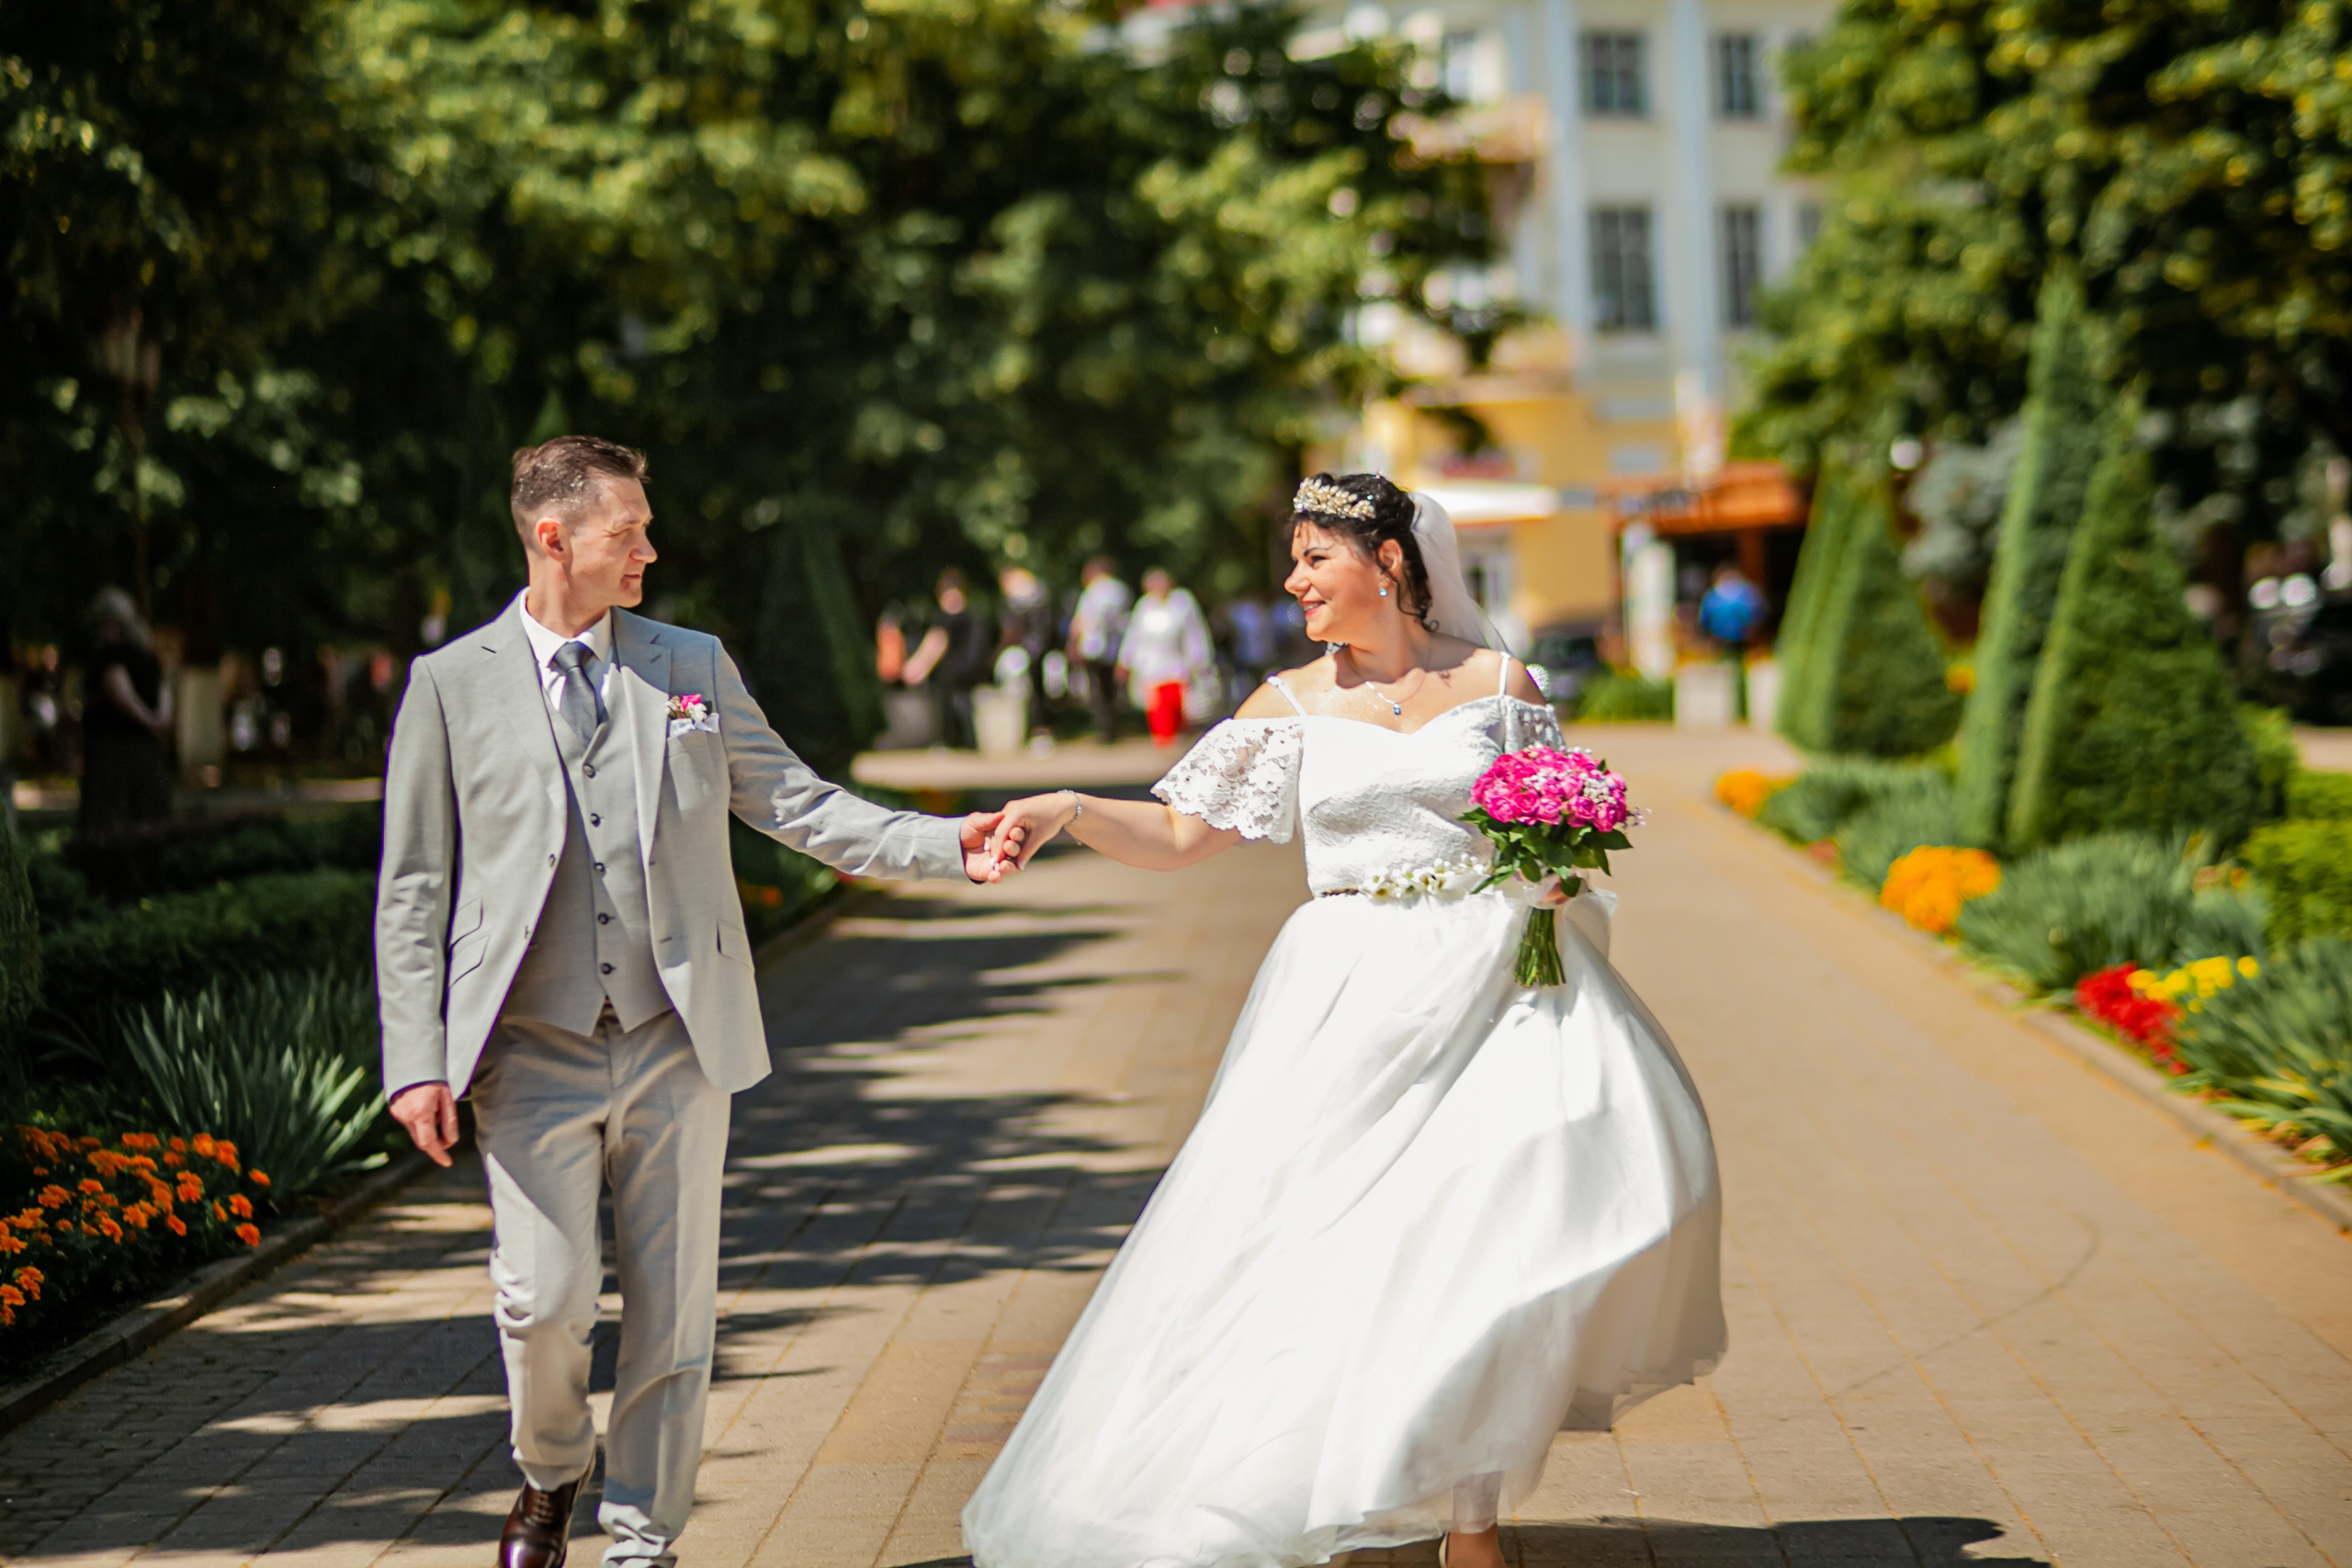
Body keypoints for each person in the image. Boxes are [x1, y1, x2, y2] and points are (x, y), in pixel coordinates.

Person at [963, 473, 1724, 1568]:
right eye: (1295, 558)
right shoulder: (1287, 703)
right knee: (1328, 1244)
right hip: (1349, 999)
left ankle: (1472, 1524)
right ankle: (1295, 1471)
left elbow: (1552, 814)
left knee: (1486, 1242)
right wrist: (1068, 809)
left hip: (1502, 989)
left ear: (1390, 563)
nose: (1294, 580)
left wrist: (1558, 864)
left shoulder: (1500, 683)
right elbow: (1179, 836)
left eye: (1314, 556)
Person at [374, 436, 1027, 1568]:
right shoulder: (449, 684)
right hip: (527, 1049)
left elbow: (797, 803)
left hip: (677, 1038)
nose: (648, 551)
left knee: (673, 1314)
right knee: (543, 1305)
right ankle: (549, 1472)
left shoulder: (690, 664)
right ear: (553, 538)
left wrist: (942, 845)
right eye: (627, 531)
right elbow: (414, 886)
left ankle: (642, 1538)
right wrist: (415, 1060)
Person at [79, 586, 173, 835]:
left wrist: (148, 720)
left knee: (112, 826)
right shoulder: (148, 656)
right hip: (146, 750)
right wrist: (159, 721)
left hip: (114, 752)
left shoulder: (112, 656)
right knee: (148, 821)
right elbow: (164, 690)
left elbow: (117, 686)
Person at [1117, 568, 1213, 747]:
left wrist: (1200, 659)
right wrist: (1125, 660)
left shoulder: (1182, 602)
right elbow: (1134, 635)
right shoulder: (1144, 606)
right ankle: (1163, 741)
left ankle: (1181, 737)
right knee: (1157, 706)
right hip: (1151, 666)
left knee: (1179, 704)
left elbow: (1194, 633)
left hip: (1177, 663)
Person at [902, 569, 992, 749]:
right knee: (963, 708)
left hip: (956, 671)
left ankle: (952, 741)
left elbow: (935, 643)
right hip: (967, 669)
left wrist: (919, 666)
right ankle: (968, 742)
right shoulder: (973, 616)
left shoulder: (948, 619)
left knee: (952, 707)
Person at [1066, 557, 1132, 743]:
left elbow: (1081, 620)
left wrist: (1073, 644)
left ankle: (1105, 728)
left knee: (1098, 690)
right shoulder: (1121, 590)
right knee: (1113, 688)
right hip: (1116, 648)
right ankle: (1114, 726)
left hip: (1093, 648)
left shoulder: (1092, 592)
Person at [1697, 564, 1764, 649]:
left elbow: (1757, 614)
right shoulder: (1711, 596)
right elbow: (1704, 618)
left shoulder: (1747, 592)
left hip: (1742, 638)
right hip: (1720, 638)